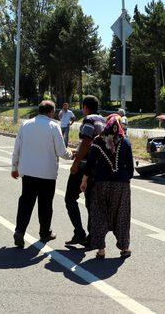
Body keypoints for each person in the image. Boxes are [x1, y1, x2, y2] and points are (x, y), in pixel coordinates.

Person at [11, 100, 75, 248]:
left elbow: (17, 148)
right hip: (47, 174)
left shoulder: (25, 125)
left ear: (39, 110)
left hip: (28, 173)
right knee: (45, 205)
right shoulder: (54, 126)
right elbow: (61, 151)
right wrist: (72, 154)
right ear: (51, 112)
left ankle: (20, 231)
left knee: (26, 203)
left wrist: (14, 167)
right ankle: (44, 232)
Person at [80, 114, 134, 259]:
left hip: (101, 184)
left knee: (99, 214)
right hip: (121, 187)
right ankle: (124, 248)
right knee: (121, 216)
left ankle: (101, 250)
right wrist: (122, 178)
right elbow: (130, 169)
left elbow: (90, 164)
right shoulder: (125, 142)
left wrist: (84, 181)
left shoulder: (98, 141)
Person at [66, 95, 106, 246]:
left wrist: (76, 162)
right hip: (98, 166)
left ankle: (79, 233)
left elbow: (87, 142)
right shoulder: (103, 120)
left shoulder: (88, 120)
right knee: (91, 202)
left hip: (85, 166)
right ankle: (92, 236)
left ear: (85, 107)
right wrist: (78, 151)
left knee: (70, 198)